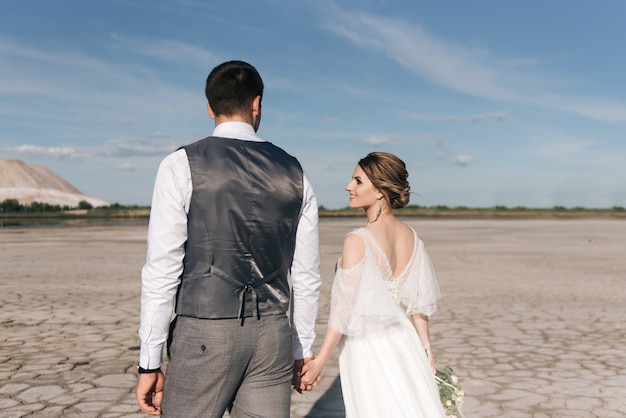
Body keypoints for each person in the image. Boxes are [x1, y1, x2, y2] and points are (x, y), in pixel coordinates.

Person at [135, 60, 322, 417]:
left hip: (204, 333)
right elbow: (307, 274)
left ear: (209, 108)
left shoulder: (180, 164)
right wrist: (302, 349)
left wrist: (149, 362)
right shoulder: (295, 171)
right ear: (257, 103)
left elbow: (161, 269)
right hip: (272, 334)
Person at [300, 152, 446, 417]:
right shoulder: (412, 237)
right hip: (405, 342)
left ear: (380, 191)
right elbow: (418, 304)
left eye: (357, 181)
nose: (348, 186)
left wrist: (320, 361)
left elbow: (342, 310)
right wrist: (427, 351)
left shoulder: (357, 240)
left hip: (368, 347)